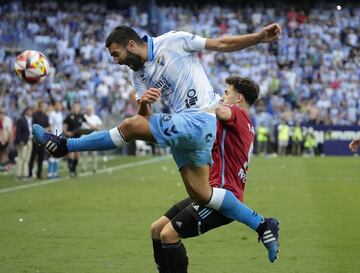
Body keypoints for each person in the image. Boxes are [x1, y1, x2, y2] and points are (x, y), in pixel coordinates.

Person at [33, 24, 281, 258]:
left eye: (116, 54)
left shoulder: (174, 41)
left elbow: (222, 43)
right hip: (185, 130)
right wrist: (144, 103)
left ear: (131, 45)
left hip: (199, 120)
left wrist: (259, 38)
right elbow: (145, 119)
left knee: (128, 126)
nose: (116, 61)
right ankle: (262, 224)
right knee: (200, 193)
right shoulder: (137, 74)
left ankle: (65, 146)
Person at [150, 76, 279, 273]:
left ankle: (263, 225)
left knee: (169, 235)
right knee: (157, 229)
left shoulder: (237, 113)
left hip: (221, 196)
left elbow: (220, 111)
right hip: (211, 191)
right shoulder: (246, 123)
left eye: (227, 93)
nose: (223, 96)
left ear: (238, 99)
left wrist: (205, 101)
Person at [62, 102, 86, 177]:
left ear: (79, 107)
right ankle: (71, 171)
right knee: (71, 154)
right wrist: (67, 133)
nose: (76, 108)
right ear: (72, 107)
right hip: (70, 138)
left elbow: (87, 124)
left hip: (79, 138)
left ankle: (74, 170)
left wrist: (95, 127)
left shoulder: (81, 116)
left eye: (77, 107)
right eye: (74, 107)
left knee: (77, 155)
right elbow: (64, 128)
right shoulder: (68, 117)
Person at [29, 101, 49, 179]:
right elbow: (33, 126)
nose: (43, 108)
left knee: (41, 156)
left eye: (44, 106)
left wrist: (47, 129)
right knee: (33, 156)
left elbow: (48, 126)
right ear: (39, 107)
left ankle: (39, 174)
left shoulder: (46, 116)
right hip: (35, 139)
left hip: (43, 139)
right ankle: (30, 173)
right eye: (42, 106)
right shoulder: (34, 115)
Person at [14, 107, 33, 179]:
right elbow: (18, 132)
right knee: (21, 157)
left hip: (30, 140)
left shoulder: (31, 120)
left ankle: (25, 174)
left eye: (31, 111)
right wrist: (19, 141)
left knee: (27, 158)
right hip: (23, 141)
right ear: (26, 111)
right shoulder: (21, 119)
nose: (30, 112)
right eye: (29, 111)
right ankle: (18, 174)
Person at [47, 101, 64, 179]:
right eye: (57, 105)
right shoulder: (52, 114)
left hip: (59, 136)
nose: (59, 107)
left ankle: (55, 172)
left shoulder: (60, 114)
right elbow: (50, 125)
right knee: (52, 154)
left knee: (57, 154)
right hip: (54, 136)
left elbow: (61, 126)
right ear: (55, 106)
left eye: (59, 105)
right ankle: (50, 173)